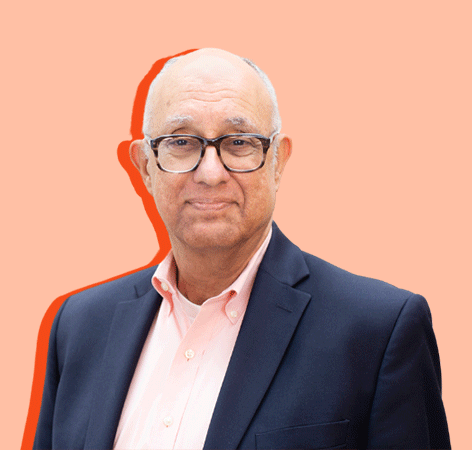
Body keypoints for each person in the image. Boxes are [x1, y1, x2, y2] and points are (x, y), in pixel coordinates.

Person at [33, 48, 450, 450]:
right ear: (145, 166)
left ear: (278, 161)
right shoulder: (80, 326)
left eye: (239, 142)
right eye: (181, 142)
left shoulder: (378, 332)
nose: (210, 173)